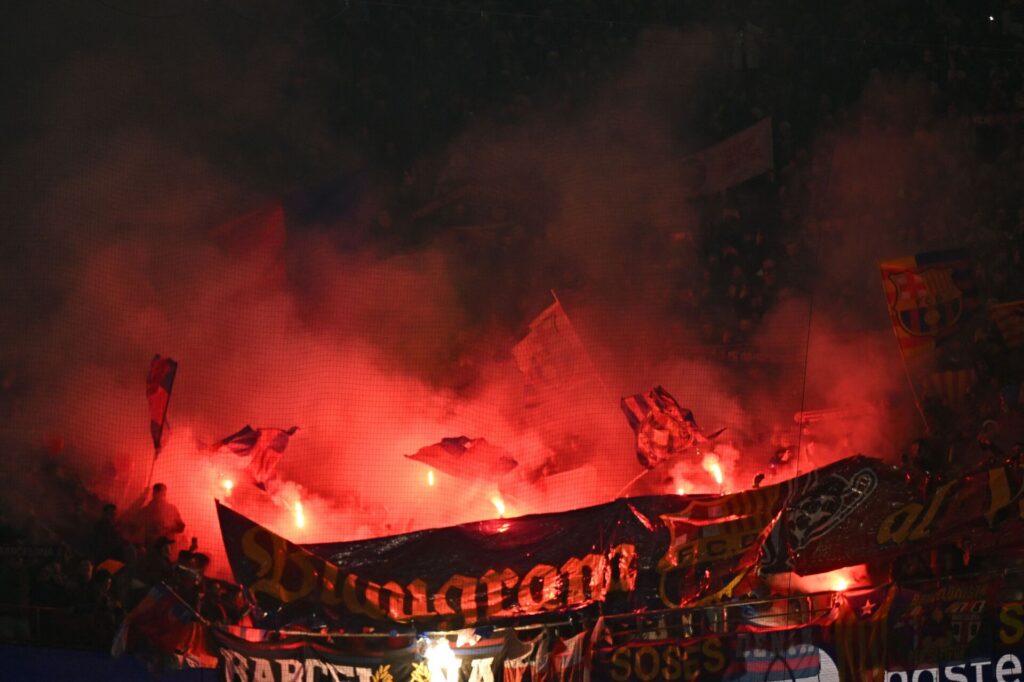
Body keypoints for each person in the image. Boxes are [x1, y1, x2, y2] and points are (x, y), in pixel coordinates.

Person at [139, 483, 186, 548]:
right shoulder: (147, 510)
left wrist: (168, 529)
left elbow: (181, 527)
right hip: (151, 547)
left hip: (165, 547)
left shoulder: (171, 509)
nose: (158, 495)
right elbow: (135, 524)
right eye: (156, 493)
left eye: (160, 493)